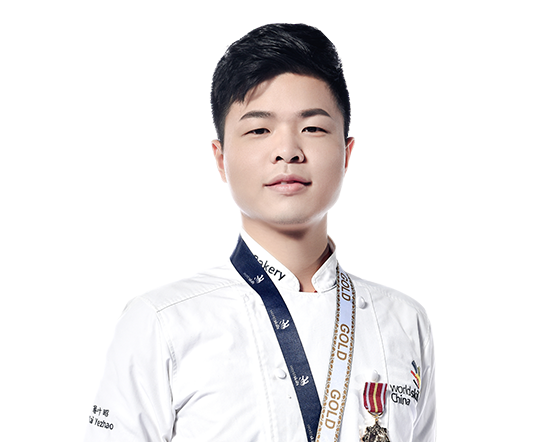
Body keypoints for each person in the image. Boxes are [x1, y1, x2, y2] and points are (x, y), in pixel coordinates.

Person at [85, 23, 435, 442]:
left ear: (346, 154)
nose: (287, 151)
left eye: (313, 128)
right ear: (220, 158)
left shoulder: (405, 323)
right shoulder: (161, 323)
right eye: (259, 130)